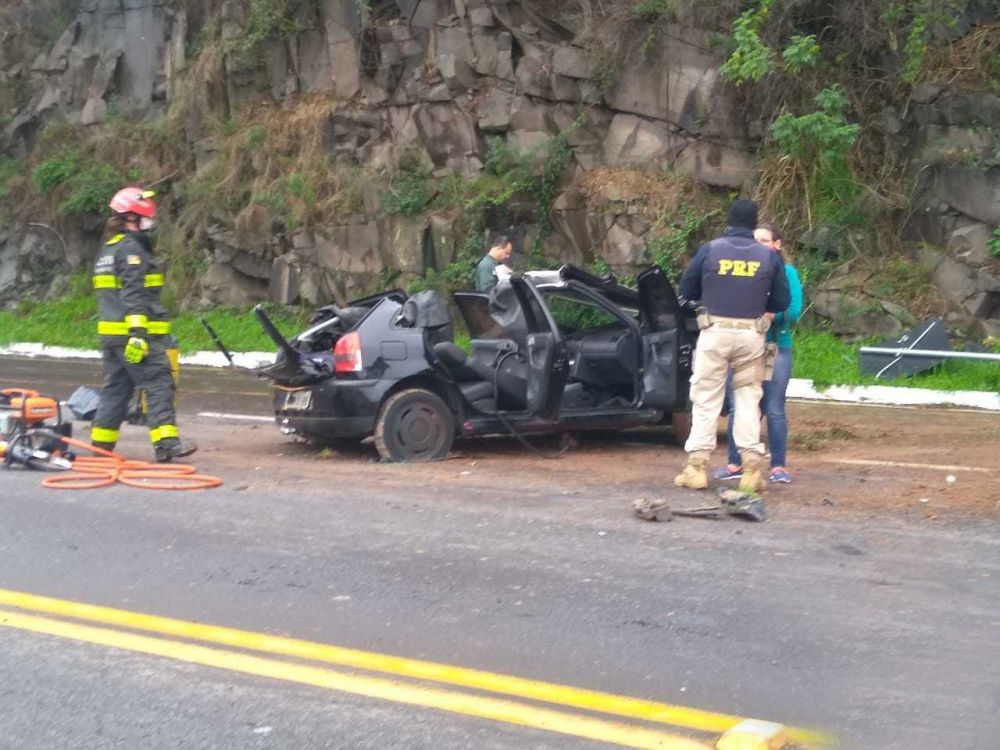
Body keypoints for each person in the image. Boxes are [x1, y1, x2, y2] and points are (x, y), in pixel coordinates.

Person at [674, 198, 790, 495]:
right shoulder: (768, 257)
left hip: (714, 332)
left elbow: (687, 290)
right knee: (748, 398)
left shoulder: (710, 249)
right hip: (751, 335)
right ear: (754, 225)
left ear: (729, 221)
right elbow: (781, 302)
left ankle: (697, 468)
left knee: (706, 397)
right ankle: (751, 470)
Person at [90, 187, 197, 463]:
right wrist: (138, 336)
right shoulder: (130, 250)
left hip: (111, 337)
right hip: (133, 336)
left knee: (117, 388)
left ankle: (100, 448)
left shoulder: (108, 249)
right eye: (144, 220)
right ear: (130, 219)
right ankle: (166, 443)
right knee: (159, 382)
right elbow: (133, 295)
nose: (148, 226)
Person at [716, 222, 803, 484]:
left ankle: (778, 466)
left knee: (774, 407)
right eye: (755, 240)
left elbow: (794, 310)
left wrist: (767, 315)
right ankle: (735, 463)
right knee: (739, 407)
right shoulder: (746, 271)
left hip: (775, 346)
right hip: (744, 346)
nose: (758, 245)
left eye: (764, 241)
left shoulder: (787, 273)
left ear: (777, 245)